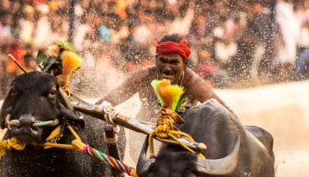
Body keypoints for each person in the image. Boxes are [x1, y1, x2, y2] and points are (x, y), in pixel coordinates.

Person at [96, 34, 232, 123]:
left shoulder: (193, 84)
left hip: (180, 136)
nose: (167, 68)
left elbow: (227, 116)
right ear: (156, 60)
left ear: (185, 64)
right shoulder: (142, 77)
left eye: (174, 62)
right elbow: (105, 103)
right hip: (143, 133)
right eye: (163, 61)